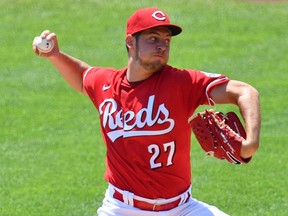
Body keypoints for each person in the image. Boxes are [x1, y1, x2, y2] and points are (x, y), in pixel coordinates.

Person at [32, 7, 261, 216]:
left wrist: (251, 143)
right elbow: (84, 78)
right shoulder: (107, 83)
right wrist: (55, 55)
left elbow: (244, 91)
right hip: (121, 209)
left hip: (181, 208)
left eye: (167, 40)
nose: (162, 45)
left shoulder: (182, 82)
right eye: (153, 39)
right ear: (131, 42)